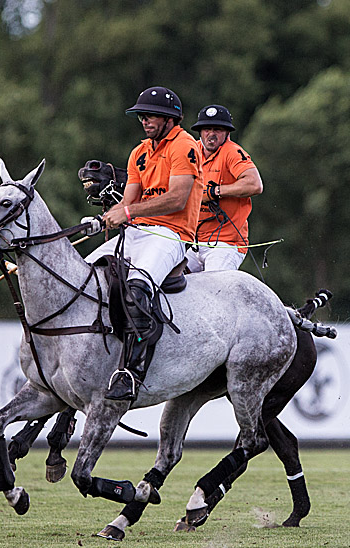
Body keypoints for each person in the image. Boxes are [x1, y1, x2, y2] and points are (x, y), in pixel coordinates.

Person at [83, 86, 204, 401]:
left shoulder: (185, 146)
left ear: (168, 118)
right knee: (84, 275)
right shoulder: (139, 152)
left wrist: (127, 212)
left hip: (172, 233)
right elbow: (128, 202)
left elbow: (177, 199)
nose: (144, 120)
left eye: (149, 115)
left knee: (138, 289)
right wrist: (107, 217)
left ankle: (131, 374)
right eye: (141, 116)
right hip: (137, 232)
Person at [185, 104, 263, 273]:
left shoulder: (232, 152)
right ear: (200, 131)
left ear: (227, 133)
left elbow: (254, 184)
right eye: (206, 129)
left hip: (226, 244)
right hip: (196, 244)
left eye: (217, 129)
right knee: (165, 282)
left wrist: (215, 191)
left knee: (213, 290)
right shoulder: (192, 151)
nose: (211, 134)